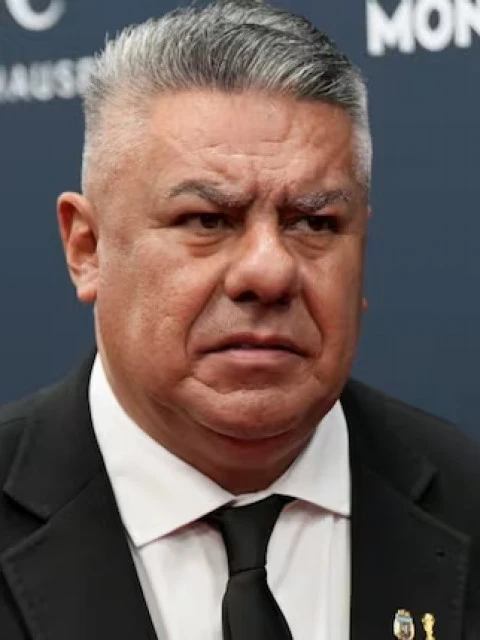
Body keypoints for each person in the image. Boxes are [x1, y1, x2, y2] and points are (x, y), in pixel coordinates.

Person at [0, 1, 479, 639]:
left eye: (315, 223)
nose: (268, 272)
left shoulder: (468, 498)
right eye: (208, 220)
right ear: (87, 249)